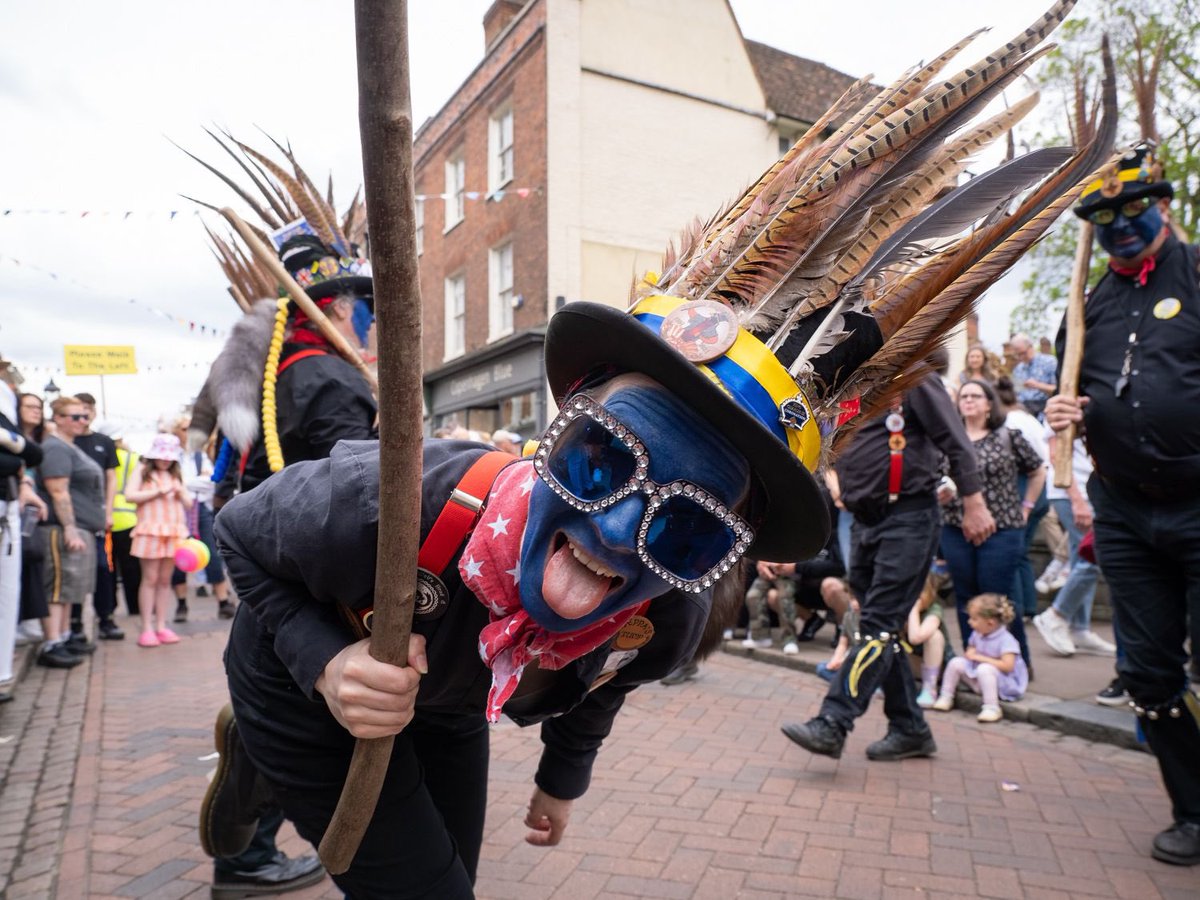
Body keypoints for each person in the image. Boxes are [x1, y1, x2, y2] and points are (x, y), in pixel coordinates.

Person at [1046, 144, 1200, 866]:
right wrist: (1063, 411)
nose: (1122, 226)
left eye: (1135, 210)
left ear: (1161, 205)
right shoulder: (1084, 309)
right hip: (1124, 511)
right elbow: (1071, 392)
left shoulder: (1196, 273)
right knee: (1147, 673)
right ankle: (1192, 811)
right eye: (1105, 217)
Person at [781, 368, 995, 763]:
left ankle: (834, 721)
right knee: (881, 628)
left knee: (878, 623)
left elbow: (957, 441)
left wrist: (974, 502)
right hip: (865, 522)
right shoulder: (853, 385)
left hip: (909, 517)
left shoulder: (913, 377)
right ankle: (910, 727)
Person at [940, 378, 1043, 667]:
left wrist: (1027, 507)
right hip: (955, 527)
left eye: (976, 395)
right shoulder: (947, 440)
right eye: (964, 396)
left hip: (1002, 529)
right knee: (965, 599)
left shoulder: (1007, 436)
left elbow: (1037, 471)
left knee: (997, 599)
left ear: (989, 404)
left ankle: (1014, 666)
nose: (969, 400)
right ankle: (974, 663)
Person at [33, 397, 105, 668]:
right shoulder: (55, 448)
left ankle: (63, 636)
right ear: (59, 418)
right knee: (59, 587)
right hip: (61, 529)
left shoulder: (69, 447)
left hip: (82, 528)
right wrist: (70, 528)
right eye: (75, 416)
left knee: (71, 588)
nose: (82, 421)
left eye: (85, 416)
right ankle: (52, 642)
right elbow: (58, 491)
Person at [1031, 434, 1114, 657]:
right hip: (1072, 494)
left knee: (1083, 558)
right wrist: (1077, 500)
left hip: (1089, 493)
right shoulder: (1066, 401)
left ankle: (1079, 629)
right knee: (1092, 557)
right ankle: (1056, 615)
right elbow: (1057, 455)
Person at [0, 358, 45, 701]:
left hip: (8, 506)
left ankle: (2, 670)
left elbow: (30, 453)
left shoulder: (4, 396)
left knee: (7, 590)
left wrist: (10, 443)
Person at [124, 433, 193, 647]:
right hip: (150, 531)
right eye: (162, 456)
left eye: (169, 457)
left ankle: (162, 625)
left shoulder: (176, 475)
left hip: (173, 532)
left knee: (165, 581)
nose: (165, 460)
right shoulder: (143, 471)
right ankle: (146, 627)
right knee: (150, 579)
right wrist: (157, 492)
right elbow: (129, 495)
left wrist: (180, 491)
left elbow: (189, 504)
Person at [994, 376, 1049, 619]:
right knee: (1022, 553)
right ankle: (1029, 607)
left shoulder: (1010, 422)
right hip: (1038, 490)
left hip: (1027, 488)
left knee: (1014, 554)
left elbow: (1031, 461)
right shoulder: (1026, 417)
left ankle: (1020, 608)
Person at [168, 416, 233, 623]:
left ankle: (223, 601)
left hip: (201, 511)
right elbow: (174, 485)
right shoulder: (170, 456)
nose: (191, 433)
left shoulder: (200, 456)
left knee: (212, 555)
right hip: (176, 513)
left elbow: (210, 483)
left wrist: (186, 484)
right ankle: (181, 605)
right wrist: (190, 484)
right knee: (178, 558)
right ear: (177, 431)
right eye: (186, 428)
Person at [71, 392, 124, 641]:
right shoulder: (65, 442)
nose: (84, 416)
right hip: (72, 516)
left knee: (104, 568)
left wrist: (109, 510)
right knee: (76, 570)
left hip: (98, 516)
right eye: (78, 411)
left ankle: (106, 618)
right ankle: (75, 624)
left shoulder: (104, 442)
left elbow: (111, 478)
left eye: (88, 410)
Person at [931, 592, 1028, 722]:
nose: (970, 622)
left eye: (974, 619)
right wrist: (970, 653)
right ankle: (946, 695)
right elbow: (972, 647)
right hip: (980, 677)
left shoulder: (1006, 640)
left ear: (990, 623)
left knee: (985, 668)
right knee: (955, 663)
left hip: (1003, 683)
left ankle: (992, 707)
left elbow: (1008, 666)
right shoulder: (978, 634)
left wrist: (979, 658)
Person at [106, 426, 142, 617]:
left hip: (108, 515)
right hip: (130, 517)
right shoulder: (132, 458)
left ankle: (110, 606)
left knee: (110, 566)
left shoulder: (104, 456)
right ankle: (135, 607)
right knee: (131, 567)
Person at [906, 566, 952, 709]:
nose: (916, 596)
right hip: (910, 664)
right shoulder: (899, 607)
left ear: (932, 593)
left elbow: (915, 638)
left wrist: (913, 610)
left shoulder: (934, 610)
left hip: (938, 669)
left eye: (921, 591)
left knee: (934, 636)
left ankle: (929, 689)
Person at [1009, 333, 1057, 418]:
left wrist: (1038, 385)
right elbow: (1016, 394)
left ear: (1031, 346)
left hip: (1045, 413)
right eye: (1017, 355)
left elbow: (1057, 390)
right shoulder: (1018, 369)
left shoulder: (1050, 362)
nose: (1021, 357)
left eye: (1023, 353)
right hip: (1023, 413)